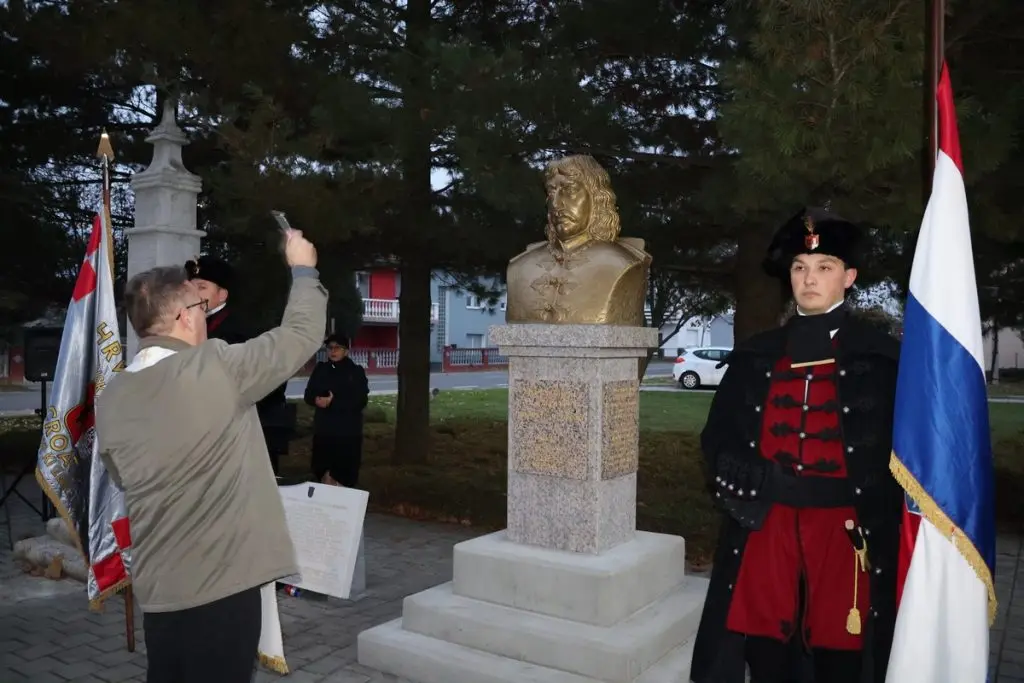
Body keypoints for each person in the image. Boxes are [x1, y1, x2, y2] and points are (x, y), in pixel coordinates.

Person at [96, 230, 325, 683]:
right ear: (184, 317)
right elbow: (300, 336)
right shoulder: (216, 367)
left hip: (160, 589)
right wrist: (303, 269)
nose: (204, 316)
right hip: (220, 588)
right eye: (201, 308)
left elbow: (122, 476)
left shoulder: (112, 395)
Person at [689, 207, 903, 683]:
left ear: (848, 277)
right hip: (768, 527)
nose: (809, 279)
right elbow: (718, 436)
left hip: (845, 534)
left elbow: (907, 457)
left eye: (824, 267)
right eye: (800, 267)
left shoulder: (883, 360)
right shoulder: (756, 354)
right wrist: (742, 475)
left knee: (842, 656)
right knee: (766, 651)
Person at [185, 255, 294, 474]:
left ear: (222, 294)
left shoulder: (245, 329)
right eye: (190, 287)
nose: (194, 294)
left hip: (245, 435)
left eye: (202, 287)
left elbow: (271, 380)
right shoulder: (185, 326)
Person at [304, 334, 369, 487]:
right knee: (323, 473)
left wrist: (333, 402)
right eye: (330, 348)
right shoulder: (321, 369)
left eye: (337, 348)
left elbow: (360, 401)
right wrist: (316, 400)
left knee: (343, 476)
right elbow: (308, 395)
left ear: (346, 351)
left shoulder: (355, 372)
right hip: (324, 431)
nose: (333, 351)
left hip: (347, 433)